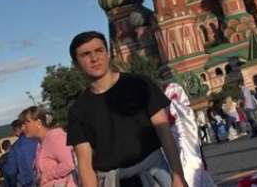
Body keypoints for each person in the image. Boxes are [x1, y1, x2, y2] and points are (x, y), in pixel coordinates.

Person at [65, 31, 187, 187]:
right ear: (76, 64)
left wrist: (178, 175)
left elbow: (165, 134)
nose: (94, 58)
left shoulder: (139, 84)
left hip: (154, 175)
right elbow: (85, 165)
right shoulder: (78, 110)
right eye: (85, 54)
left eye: (99, 51)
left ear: (108, 54)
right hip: (114, 182)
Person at [162, 80, 217, 187]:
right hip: (179, 136)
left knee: (189, 161)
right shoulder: (182, 108)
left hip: (182, 137)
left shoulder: (174, 96)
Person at [19, 106, 76, 187]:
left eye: (26, 123)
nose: (22, 127)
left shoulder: (56, 138)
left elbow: (69, 164)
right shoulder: (40, 143)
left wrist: (45, 177)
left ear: (38, 123)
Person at [4, 120, 37, 187]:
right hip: (43, 178)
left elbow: (11, 172)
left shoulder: (15, 148)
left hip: (27, 182)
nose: (14, 134)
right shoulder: (38, 139)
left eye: (14, 131)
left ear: (19, 129)